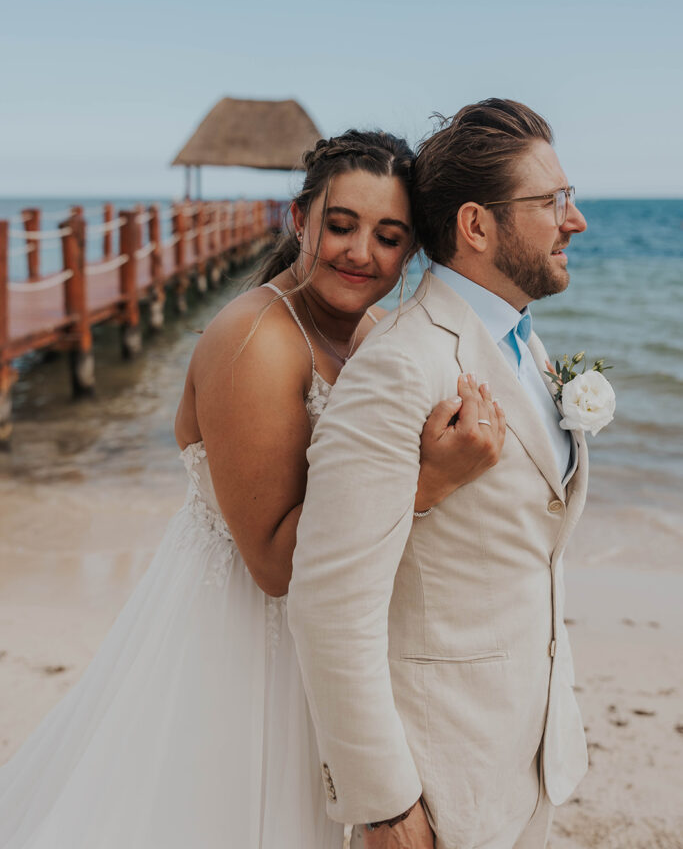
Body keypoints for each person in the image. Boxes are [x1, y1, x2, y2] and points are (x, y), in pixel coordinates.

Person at [0, 130, 505, 849]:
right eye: (340, 225)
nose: (361, 252)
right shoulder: (256, 341)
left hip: (334, 636)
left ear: (412, 251)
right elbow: (271, 563)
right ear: (298, 220)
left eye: (389, 237)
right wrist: (427, 482)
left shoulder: (380, 332)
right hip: (242, 637)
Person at [288, 100, 590, 849]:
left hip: (525, 756)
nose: (573, 219)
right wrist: (385, 805)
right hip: (437, 778)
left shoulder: (525, 343)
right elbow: (329, 606)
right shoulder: (397, 369)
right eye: (551, 201)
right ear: (476, 226)